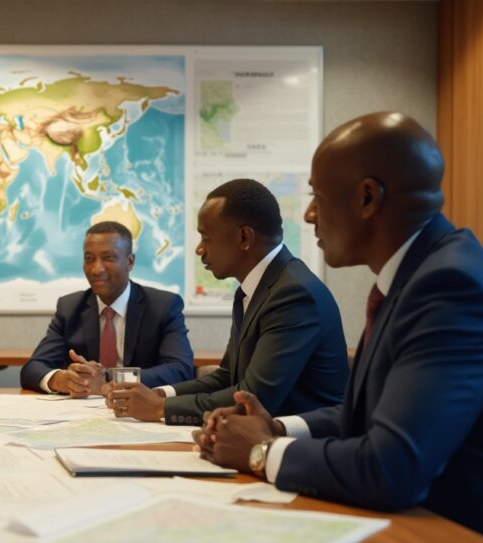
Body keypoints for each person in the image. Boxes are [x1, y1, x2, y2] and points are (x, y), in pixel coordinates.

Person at [195, 112, 483, 543]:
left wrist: (263, 453)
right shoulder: (420, 275)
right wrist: (279, 429)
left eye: (318, 196)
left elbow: (391, 468)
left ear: (367, 198)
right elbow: (368, 417)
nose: (308, 215)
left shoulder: (451, 289)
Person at [106, 179, 347, 425]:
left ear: (244, 238)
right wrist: (162, 393)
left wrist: (161, 408)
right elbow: (226, 377)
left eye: (206, 237)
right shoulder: (257, 288)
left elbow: (253, 396)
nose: (200, 249)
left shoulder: (293, 294)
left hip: (303, 448)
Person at [20, 221, 193, 395]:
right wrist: (61, 379)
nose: (96, 269)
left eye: (108, 258)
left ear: (130, 262)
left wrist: (109, 378)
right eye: (89, 259)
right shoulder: (70, 308)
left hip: (139, 409)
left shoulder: (163, 306)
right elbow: (32, 368)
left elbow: (181, 369)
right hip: (82, 413)